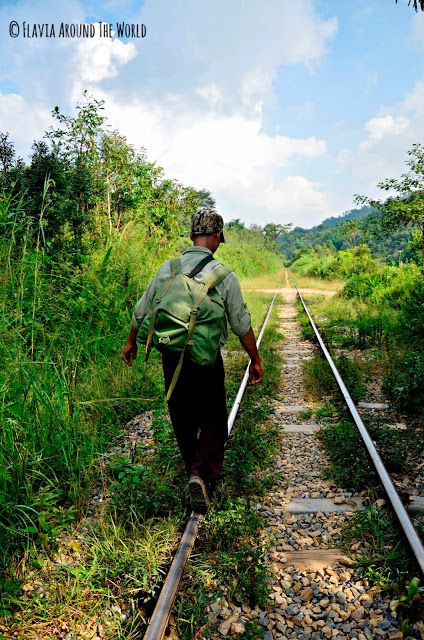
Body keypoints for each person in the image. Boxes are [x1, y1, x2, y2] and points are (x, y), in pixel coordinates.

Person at [122, 210, 263, 513]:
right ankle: (201, 474)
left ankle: (192, 471)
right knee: (213, 419)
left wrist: (132, 341)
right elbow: (241, 323)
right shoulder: (223, 275)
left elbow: (143, 308)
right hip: (206, 359)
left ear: (191, 237)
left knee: (181, 416)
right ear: (216, 238)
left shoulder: (168, 269)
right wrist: (255, 358)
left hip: (171, 355)